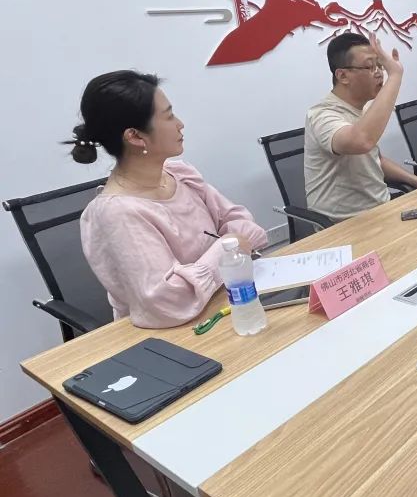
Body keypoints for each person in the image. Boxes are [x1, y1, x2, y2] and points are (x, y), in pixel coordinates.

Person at [70, 70, 268, 328]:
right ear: (135, 136)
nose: (180, 124)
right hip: (172, 334)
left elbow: (243, 224)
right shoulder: (118, 213)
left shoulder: (180, 174)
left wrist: (231, 247)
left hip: (222, 305)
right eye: (169, 116)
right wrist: (227, 248)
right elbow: (167, 301)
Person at [305, 31, 417, 223]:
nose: (379, 73)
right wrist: (395, 75)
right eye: (370, 67)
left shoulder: (365, 108)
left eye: (380, 66)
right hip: (344, 225)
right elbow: (362, 142)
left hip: (382, 210)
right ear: (343, 75)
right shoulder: (321, 115)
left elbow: (375, 159)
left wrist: (415, 181)